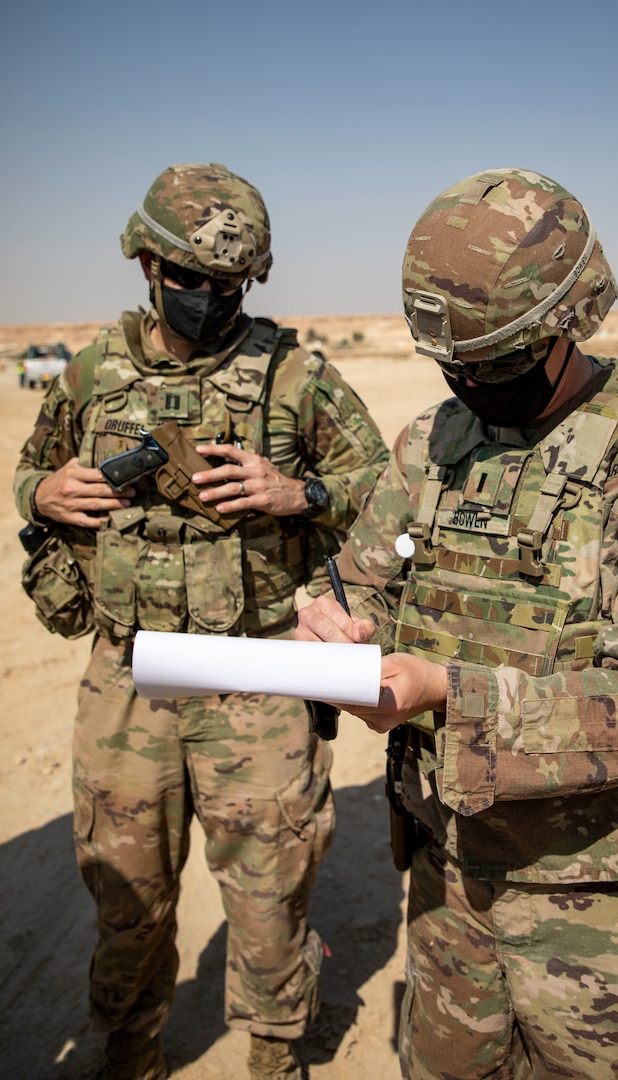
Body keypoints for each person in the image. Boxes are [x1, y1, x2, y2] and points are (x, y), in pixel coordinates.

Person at [296, 168, 618, 1079]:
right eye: (453, 366)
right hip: (446, 885)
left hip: (601, 913)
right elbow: (362, 579)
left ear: (570, 321)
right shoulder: (436, 440)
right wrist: (335, 621)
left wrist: (445, 694)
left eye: (495, 364)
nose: (472, 385)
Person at [14, 162, 388, 1080]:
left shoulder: (298, 376)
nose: (209, 299)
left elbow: (386, 494)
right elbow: (32, 471)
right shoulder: (93, 372)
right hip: (128, 673)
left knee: (269, 891)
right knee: (126, 888)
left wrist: (300, 491)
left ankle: (274, 1053)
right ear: (145, 262)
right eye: (190, 279)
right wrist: (43, 490)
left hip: (256, 672)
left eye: (231, 285)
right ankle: (129, 1048)